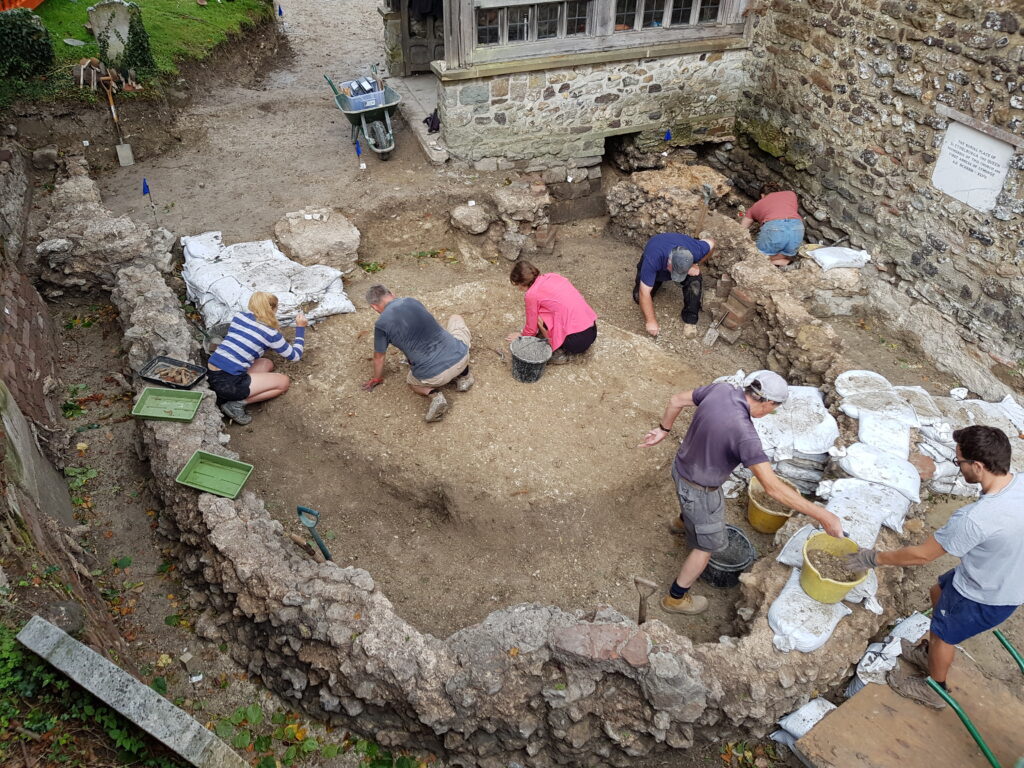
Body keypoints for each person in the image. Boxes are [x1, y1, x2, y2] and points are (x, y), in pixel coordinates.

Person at [844, 425, 1022, 710]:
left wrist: (874, 558)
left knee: (943, 635)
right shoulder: (1020, 483)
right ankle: (930, 654)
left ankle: (935, 689)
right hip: (1002, 575)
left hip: (984, 595)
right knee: (937, 591)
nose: (957, 466)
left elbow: (922, 556)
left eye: (959, 462)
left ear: (977, 466)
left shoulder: (975, 519)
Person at [639, 371, 844, 615]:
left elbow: (675, 400)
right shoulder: (745, 435)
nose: (769, 412)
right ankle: (675, 599)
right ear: (767, 403)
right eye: (772, 409)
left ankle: (680, 524)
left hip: (681, 468)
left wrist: (664, 429)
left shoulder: (721, 390)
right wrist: (823, 515)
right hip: (699, 489)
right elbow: (773, 487)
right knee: (708, 547)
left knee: (692, 506)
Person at [362, 285, 472, 423]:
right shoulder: (411, 301)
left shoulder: (381, 324)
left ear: (374, 307)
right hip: (462, 356)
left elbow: (379, 357)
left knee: (412, 382)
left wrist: (376, 379)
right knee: (455, 318)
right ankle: (465, 376)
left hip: (436, 377)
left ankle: (435, 395)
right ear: (392, 294)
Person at [206, 291, 307, 426]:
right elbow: (295, 356)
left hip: (212, 373)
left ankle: (239, 390)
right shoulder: (271, 334)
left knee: (266, 363)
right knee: (283, 382)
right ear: (274, 309)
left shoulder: (239, 317)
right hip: (228, 384)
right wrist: (300, 329)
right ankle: (235, 405)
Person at [505, 261, 598, 364]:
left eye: (517, 285)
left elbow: (531, 328)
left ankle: (557, 351)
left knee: (539, 317)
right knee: (550, 309)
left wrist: (522, 336)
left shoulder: (531, 294)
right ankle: (561, 340)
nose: (518, 289)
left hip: (576, 342)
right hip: (592, 330)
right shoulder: (553, 276)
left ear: (521, 283)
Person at [632, 232, 715, 340]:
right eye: (675, 272)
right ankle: (658, 280)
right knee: (639, 297)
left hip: (681, 257)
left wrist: (697, 264)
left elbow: (712, 243)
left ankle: (690, 318)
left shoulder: (696, 250)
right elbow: (644, 292)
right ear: (669, 262)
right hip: (657, 254)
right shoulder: (653, 258)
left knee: (695, 280)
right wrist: (651, 321)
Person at [740, 182, 804, 267]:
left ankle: (767, 263)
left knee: (758, 257)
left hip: (775, 228)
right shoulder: (791, 194)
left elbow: (741, 229)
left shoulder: (756, 206)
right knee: (785, 253)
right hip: (797, 228)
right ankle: (786, 263)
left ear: (762, 195)